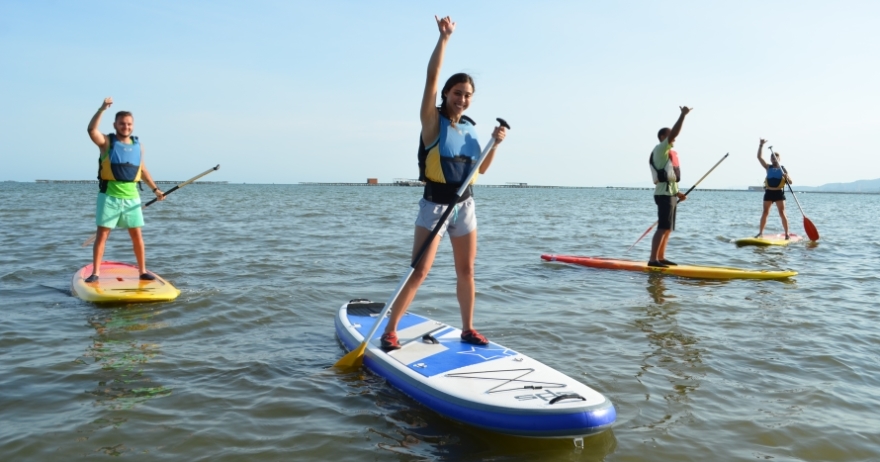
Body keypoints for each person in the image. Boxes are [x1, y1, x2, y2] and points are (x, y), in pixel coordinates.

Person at [380, 16, 507, 350]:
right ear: (447, 94)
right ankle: (390, 329)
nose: (462, 99)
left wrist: (495, 144)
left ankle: (468, 328)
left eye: (467, 95)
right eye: (456, 93)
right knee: (420, 271)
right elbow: (431, 79)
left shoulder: (470, 128)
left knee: (466, 271)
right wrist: (445, 39)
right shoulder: (432, 123)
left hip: (464, 206)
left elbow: (481, 171)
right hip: (435, 205)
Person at [85, 97, 164, 282]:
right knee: (102, 235)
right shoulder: (106, 142)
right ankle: (95, 273)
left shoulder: (139, 146)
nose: (125, 127)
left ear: (133, 125)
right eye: (122, 123)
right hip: (109, 197)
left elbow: (142, 170)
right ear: (115, 124)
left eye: (129, 124)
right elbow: (91, 130)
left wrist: (156, 190)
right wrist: (102, 108)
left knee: (137, 236)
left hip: (132, 197)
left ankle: (142, 271)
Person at [648, 106, 692, 268]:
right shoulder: (660, 149)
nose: (674, 138)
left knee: (668, 229)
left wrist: (678, 193)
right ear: (662, 137)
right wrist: (683, 115)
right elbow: (675, 133)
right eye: (670, 135)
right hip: (663, 195)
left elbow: (670, 179)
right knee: (662, 227)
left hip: (670, 194)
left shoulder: (669, 154)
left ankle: (661, 257)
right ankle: (653, 260)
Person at [755, 139, 791, 238]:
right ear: (771, 159)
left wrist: (786, 177)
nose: (774, 159)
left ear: (779, 159)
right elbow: (759, 157)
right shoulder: (768, 167)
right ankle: (761, 233)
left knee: (782, 213)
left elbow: (790, 182)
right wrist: (761, 145)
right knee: (765, 212)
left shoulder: (783, 168)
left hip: (779, 193)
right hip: (769, 193)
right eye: (772, 157)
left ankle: (787, 234)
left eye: (776, 157)